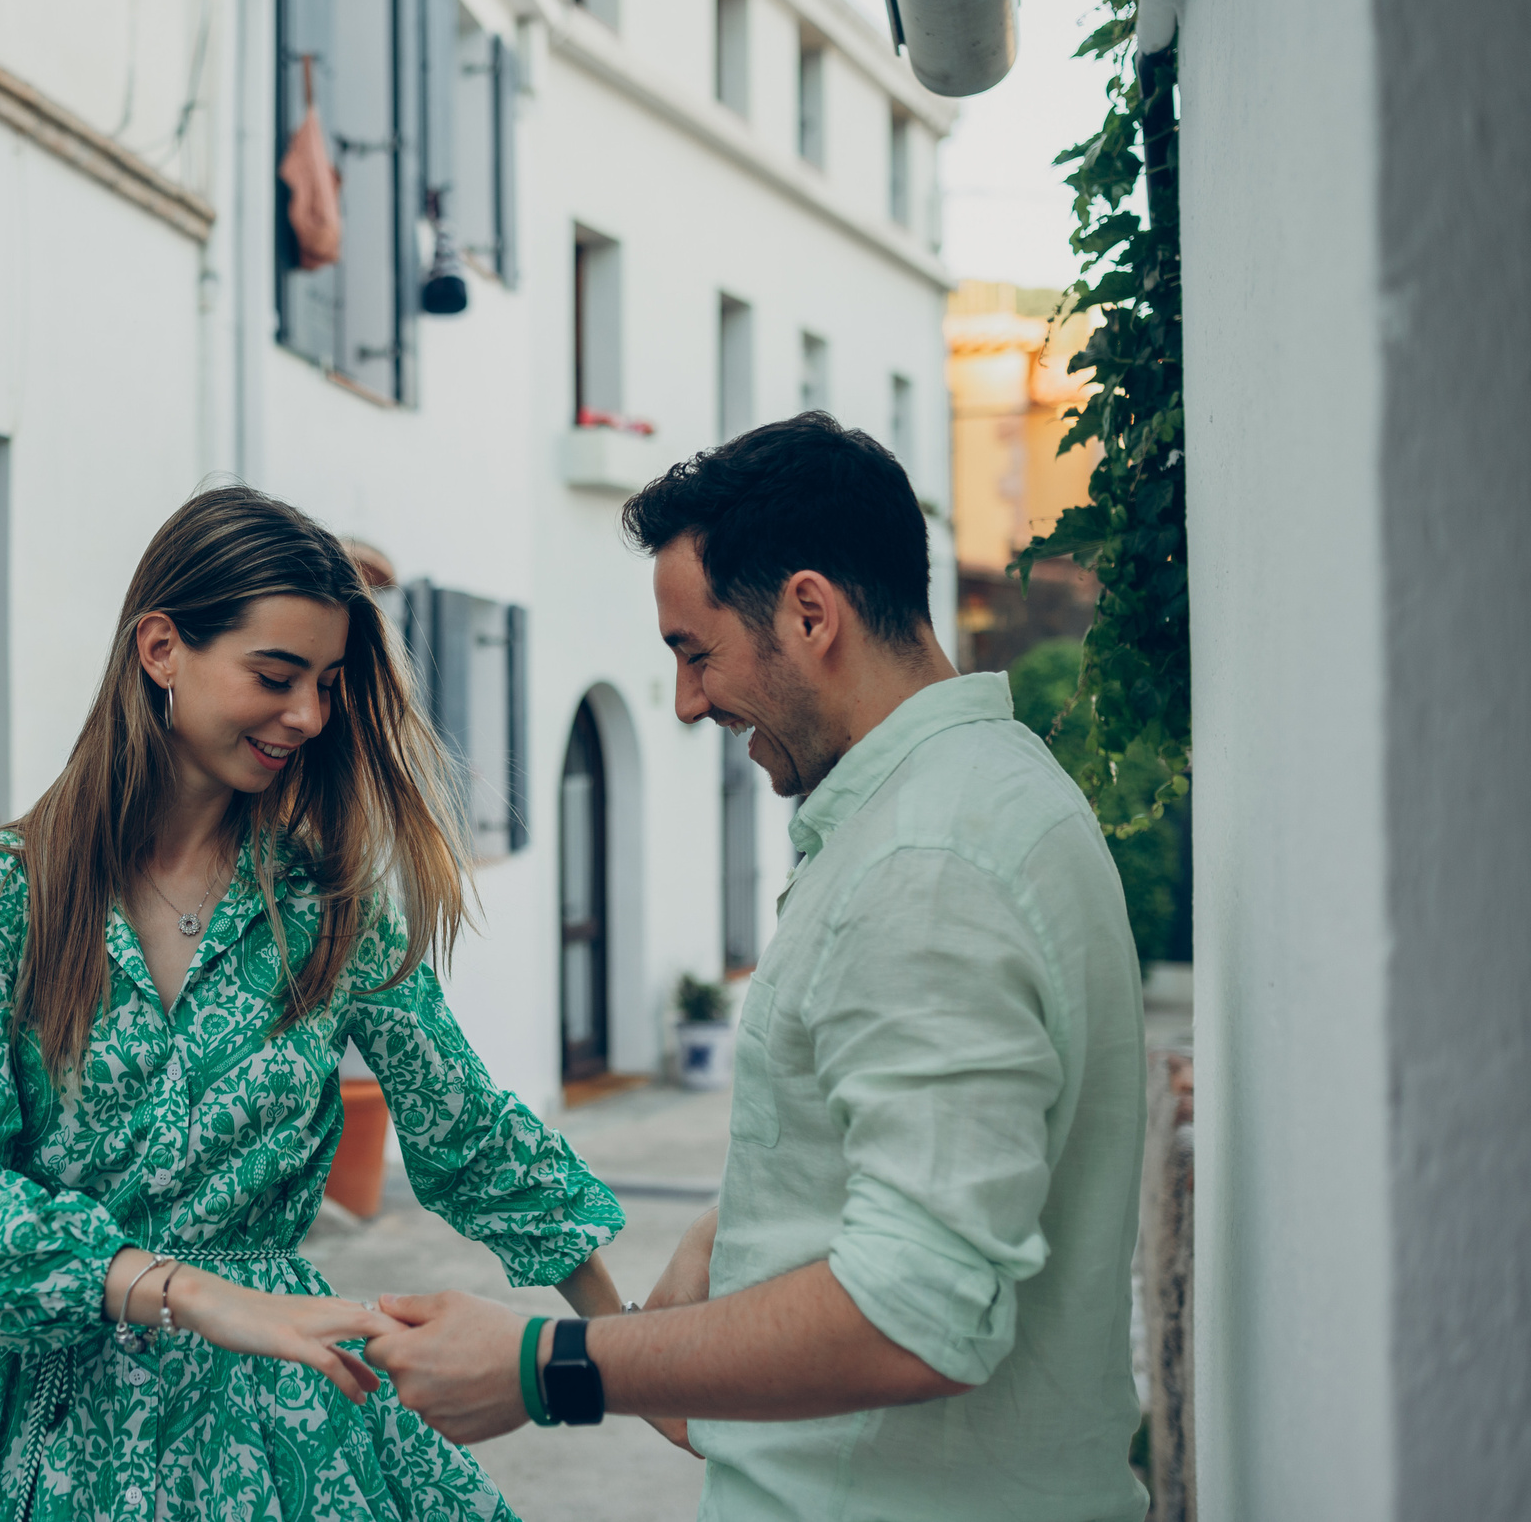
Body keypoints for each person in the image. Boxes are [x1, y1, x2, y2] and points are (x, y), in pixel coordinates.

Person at [366, 414, 1148, 1522]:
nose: (687, 701)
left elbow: (914, 1311)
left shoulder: (929, 862)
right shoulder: (965, 801)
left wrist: (552, 1363)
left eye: (694, 652)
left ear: (810, 612)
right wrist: (732, 1228)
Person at [0, 486, 628, 1522]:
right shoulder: (0, 893)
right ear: (160, 647)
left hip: (284, 1435)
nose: (309, 715)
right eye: (275, 676)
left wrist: (624, 1345)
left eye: (325, 683)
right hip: (52, 1442)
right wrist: (192, 1290)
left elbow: (465, 1129)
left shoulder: (331, 901)